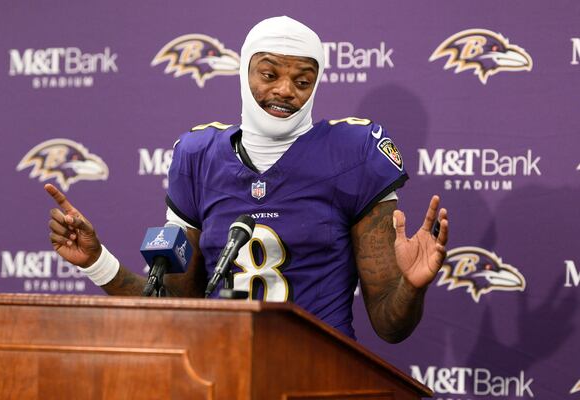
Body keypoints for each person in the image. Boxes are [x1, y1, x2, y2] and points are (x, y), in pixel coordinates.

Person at [46, 16, 448, 342]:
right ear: (244, 72)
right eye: (269, 74)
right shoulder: (199, 155)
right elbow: (175, 308)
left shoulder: (353, 151)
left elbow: (390, 326)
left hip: (320, 369)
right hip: (222, 367)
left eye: (303, 81)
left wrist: (411, 287)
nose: (285, 90)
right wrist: (98, 262)